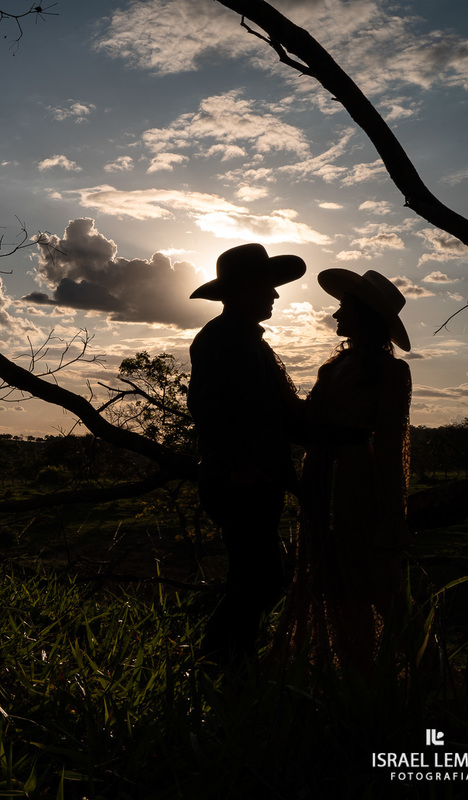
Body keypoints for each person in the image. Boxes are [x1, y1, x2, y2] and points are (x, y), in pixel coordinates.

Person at [278, 269, 412, 672]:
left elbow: (389, 445)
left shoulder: (388, 371)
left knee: (368, 574)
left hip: (353, 479)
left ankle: (420, 669)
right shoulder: (335, 366)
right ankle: (354, 668)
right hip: (321, 473)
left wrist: (392, 511)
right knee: (330, 574)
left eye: (344, 307)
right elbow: (309, 420)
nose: (336, 316)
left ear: (365, 315)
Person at [187, 243, 306, 667]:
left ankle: (231, 667)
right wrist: (241, 467)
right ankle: (219, 663)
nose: (275, 296)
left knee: (253, 578)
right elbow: (207, 407)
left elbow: (268, 414)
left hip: (253, 476)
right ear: (246, 288)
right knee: (261, 580)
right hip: (240, 480)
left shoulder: (243, 339)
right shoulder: (223, 338)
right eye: (268, 287)